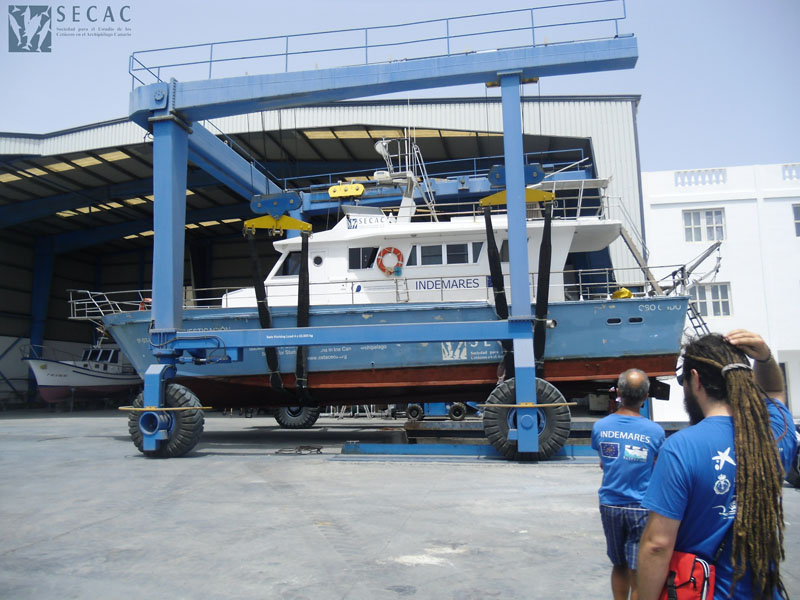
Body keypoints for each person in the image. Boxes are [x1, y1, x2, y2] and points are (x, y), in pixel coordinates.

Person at [637, 330, 798, 599]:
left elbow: (657, 545)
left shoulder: (680, 448)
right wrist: (765, 358)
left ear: (695, 379)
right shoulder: (777, 434)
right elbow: (773, 391)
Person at [592, 368, 666, 600]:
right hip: (641, 507)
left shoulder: (600, 427)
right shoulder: (655, 432)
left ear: (618, 393)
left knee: (619, 565)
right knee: (638, 571)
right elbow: (657, 466)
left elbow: (604, 462)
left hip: (610, 505)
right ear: (646, 397)